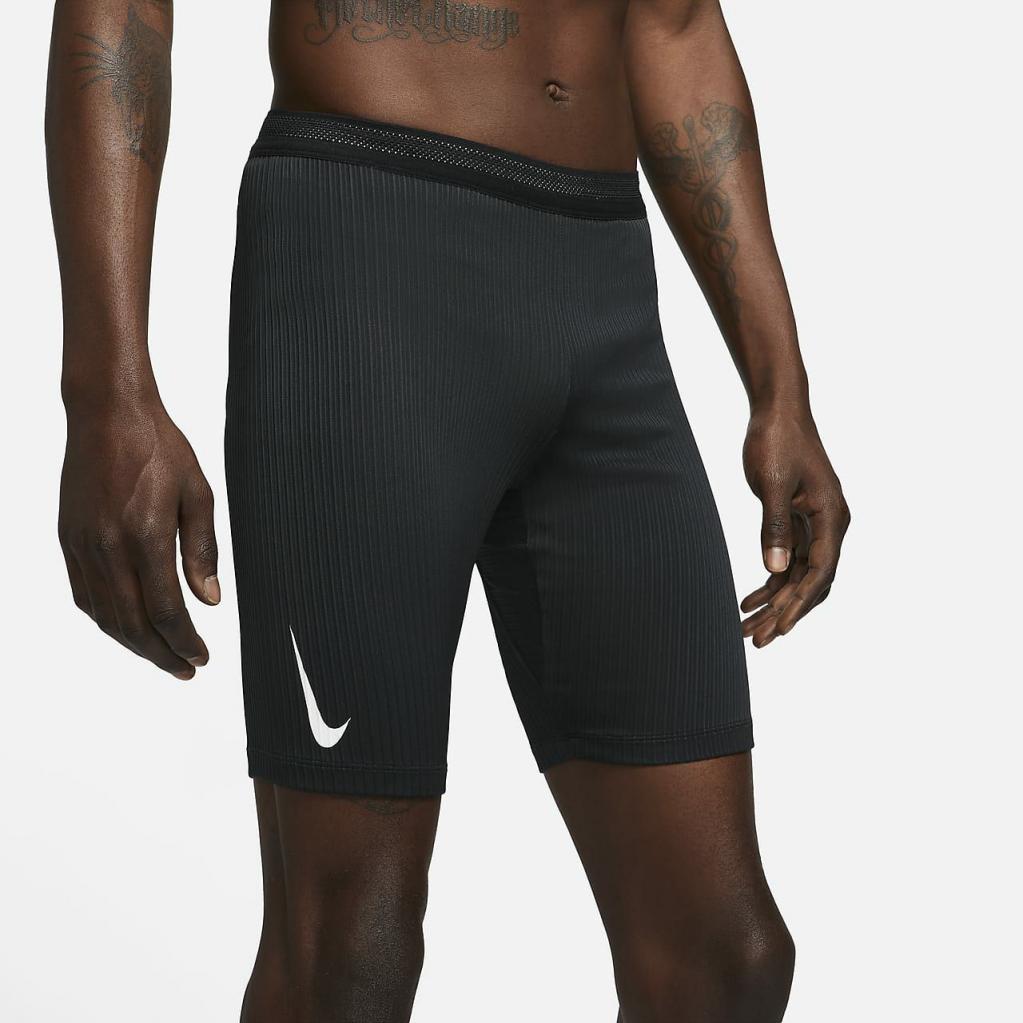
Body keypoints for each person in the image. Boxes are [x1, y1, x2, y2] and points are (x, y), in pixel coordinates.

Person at [46, 1, 850, 1020]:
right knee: (354, 952)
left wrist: (780, 386)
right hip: (367, 258)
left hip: (604, 290)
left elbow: (676, 26)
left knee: (726, 960)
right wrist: (105, 390)